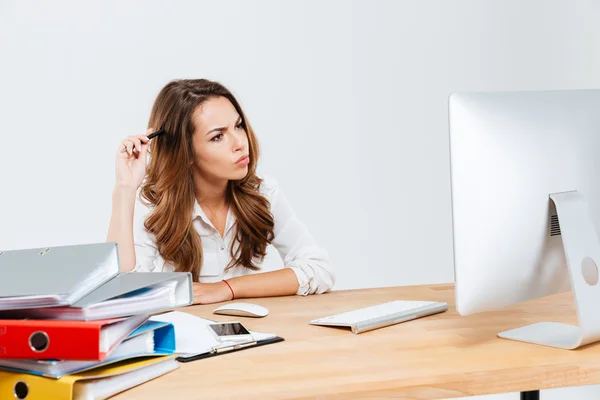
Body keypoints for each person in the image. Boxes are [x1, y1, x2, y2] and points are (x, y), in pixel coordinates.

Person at [106, 79, 334, 304]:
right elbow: (119, 294)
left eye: (238, 125)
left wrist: (225, 289)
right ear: (185, 154)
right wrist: (125, 188)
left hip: (251, 334)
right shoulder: (152, 206)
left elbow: (318, 268)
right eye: (217, 136)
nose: (240, 143)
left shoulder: (262, 193)